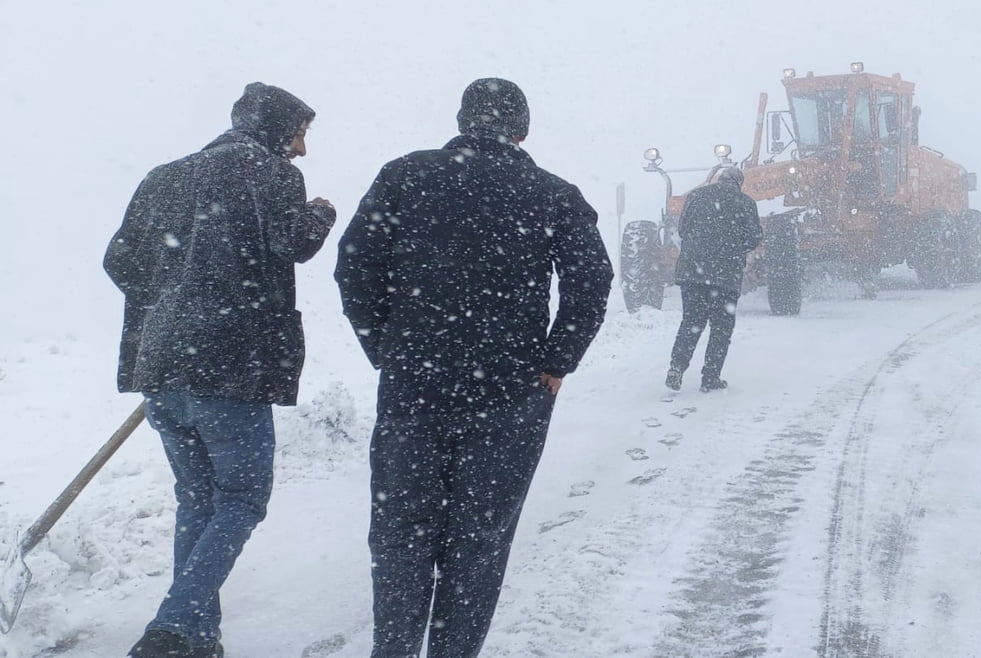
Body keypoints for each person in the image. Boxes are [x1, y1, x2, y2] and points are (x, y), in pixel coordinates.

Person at [334, 78, 613, 658]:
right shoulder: (551, 192)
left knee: (401, 536)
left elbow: (355, 266)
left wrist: (387, 348)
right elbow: (593, 279)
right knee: (479, 542)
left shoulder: (405, 175)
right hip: (510, 392)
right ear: (523, 129)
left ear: (464, 121)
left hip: (414, 387)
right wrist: (557, 361)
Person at [104, 82, 336, 658]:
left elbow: (119, 260)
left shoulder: (164, 176)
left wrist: (171, 306)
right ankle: (171, 627)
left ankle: (198, 639)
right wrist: (321, 214)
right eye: (301, 134)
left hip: (162, 366)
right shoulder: (274, 174)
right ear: (278, 129)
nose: (303, 150)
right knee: (241, 499)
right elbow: (294, 244)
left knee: (199, 499)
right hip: (233, 367)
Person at [665, 165, 762, 392]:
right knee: (721, 328)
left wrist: (701, 246)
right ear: (739, 182)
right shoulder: (745, 202)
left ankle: (676, 368)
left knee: (691, 322)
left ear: (719, 179)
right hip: (725, 276)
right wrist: (734, 247)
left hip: (692, 273)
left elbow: (682, 229)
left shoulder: (696, 195)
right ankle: (710, 376)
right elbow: (754, 237)